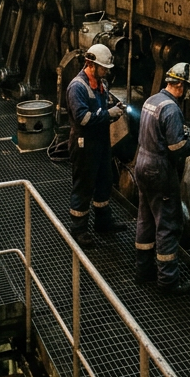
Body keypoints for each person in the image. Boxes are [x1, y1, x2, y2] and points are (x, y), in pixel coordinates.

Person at [134, 62, 190, 294]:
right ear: (179, 85)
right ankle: (168, 282)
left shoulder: (152, 101)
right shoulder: (171, 109)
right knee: (168, 225)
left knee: (146, 219)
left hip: (142, 163)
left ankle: (144, 271)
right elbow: (177, 148)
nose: (189, 93)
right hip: (159, 170)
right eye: (189, 88)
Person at [66, 44, 127, 247]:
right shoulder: (78, 87)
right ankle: (79, 230)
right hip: (84, 144)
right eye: (103, 67)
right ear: (90, 64)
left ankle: (103, 222)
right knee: (84, 186)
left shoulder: (101, 84)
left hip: (100, 142)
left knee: (104, 180)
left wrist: (113, 109)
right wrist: (107, 114)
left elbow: (99, 110)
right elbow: (82, 118)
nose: (106, 71)